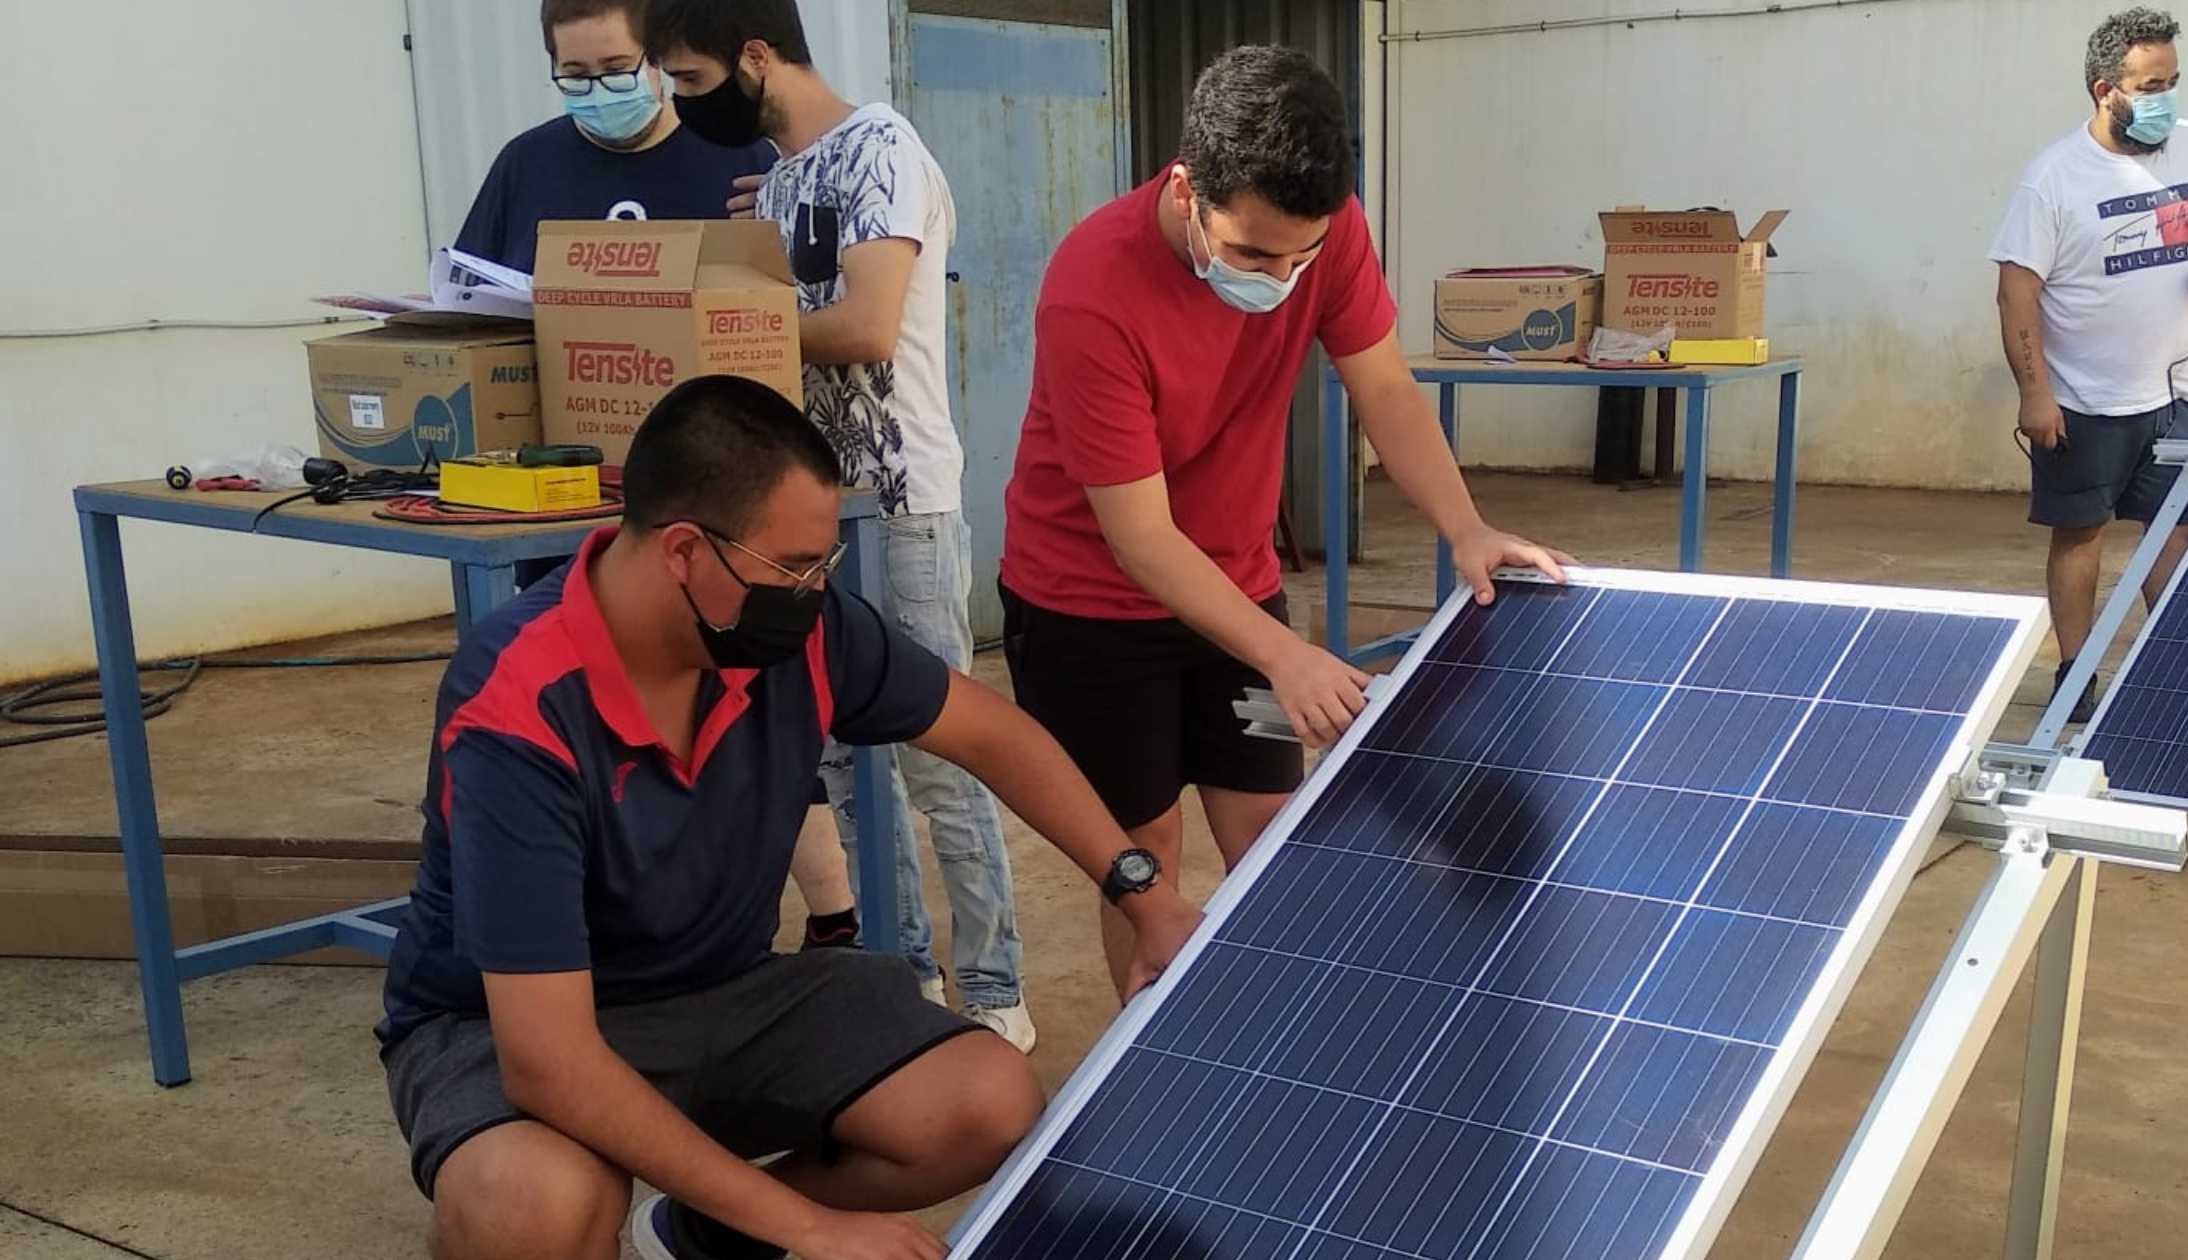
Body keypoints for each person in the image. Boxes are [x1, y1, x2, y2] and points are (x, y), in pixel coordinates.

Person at [374, 375, 1203, 1260]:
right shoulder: (517, 705)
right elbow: (548, 1060)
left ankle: (702, 1234)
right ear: (684, 551)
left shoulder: (796, 631)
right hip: (506, 1025)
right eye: (794, 569)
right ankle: (713, 1220)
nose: (813, 593)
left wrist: (1140, 893)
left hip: (721, 990)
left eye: (823, 568)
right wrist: (813, 1230)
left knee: (985, 1104)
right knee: (533, 1205)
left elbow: (991, 732)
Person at [998, 45, 1568, 996]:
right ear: (1186, 191)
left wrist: (1464, 527)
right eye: (1256, 253)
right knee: (1147, 863)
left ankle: (1284, 1066)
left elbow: (1383, 385)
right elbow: (1139, 538)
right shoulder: (1094, 289)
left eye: (1303, 254)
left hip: (1238, 588)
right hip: (1089, 611)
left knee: (1273, 835)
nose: (1285, 276)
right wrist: (1284, 654)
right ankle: (1148, 1083)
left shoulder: (1327, 229)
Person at [645, 0, 1036, 1052]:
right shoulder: (776, 181)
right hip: (806, 516)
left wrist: (722, 332)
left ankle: (994, 989)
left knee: (934, 754)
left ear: (756, 58)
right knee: (837, 758)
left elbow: (864, 325)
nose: (683, 106)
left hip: (898, 501)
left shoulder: (884, 151)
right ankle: (898, 979)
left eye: (689, 81)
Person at [1990, 6, 2188, 722]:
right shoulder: (2052, 179)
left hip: (2179, 394)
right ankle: (2077, 676)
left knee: (2171, 531)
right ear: (2106, 90)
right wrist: (2034, 393)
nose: (2166, 98)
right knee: (2082, 535)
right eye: (2150, 84)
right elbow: (2017, 291)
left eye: (2173, 81)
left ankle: (2172, 668)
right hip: (2086, 401)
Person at [450, 0, 777, 275]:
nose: (599, 90)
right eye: (576, 74)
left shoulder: (741, 154)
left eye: (616, 69)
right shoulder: (524, 164)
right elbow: (467, 293)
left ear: (656, 56)